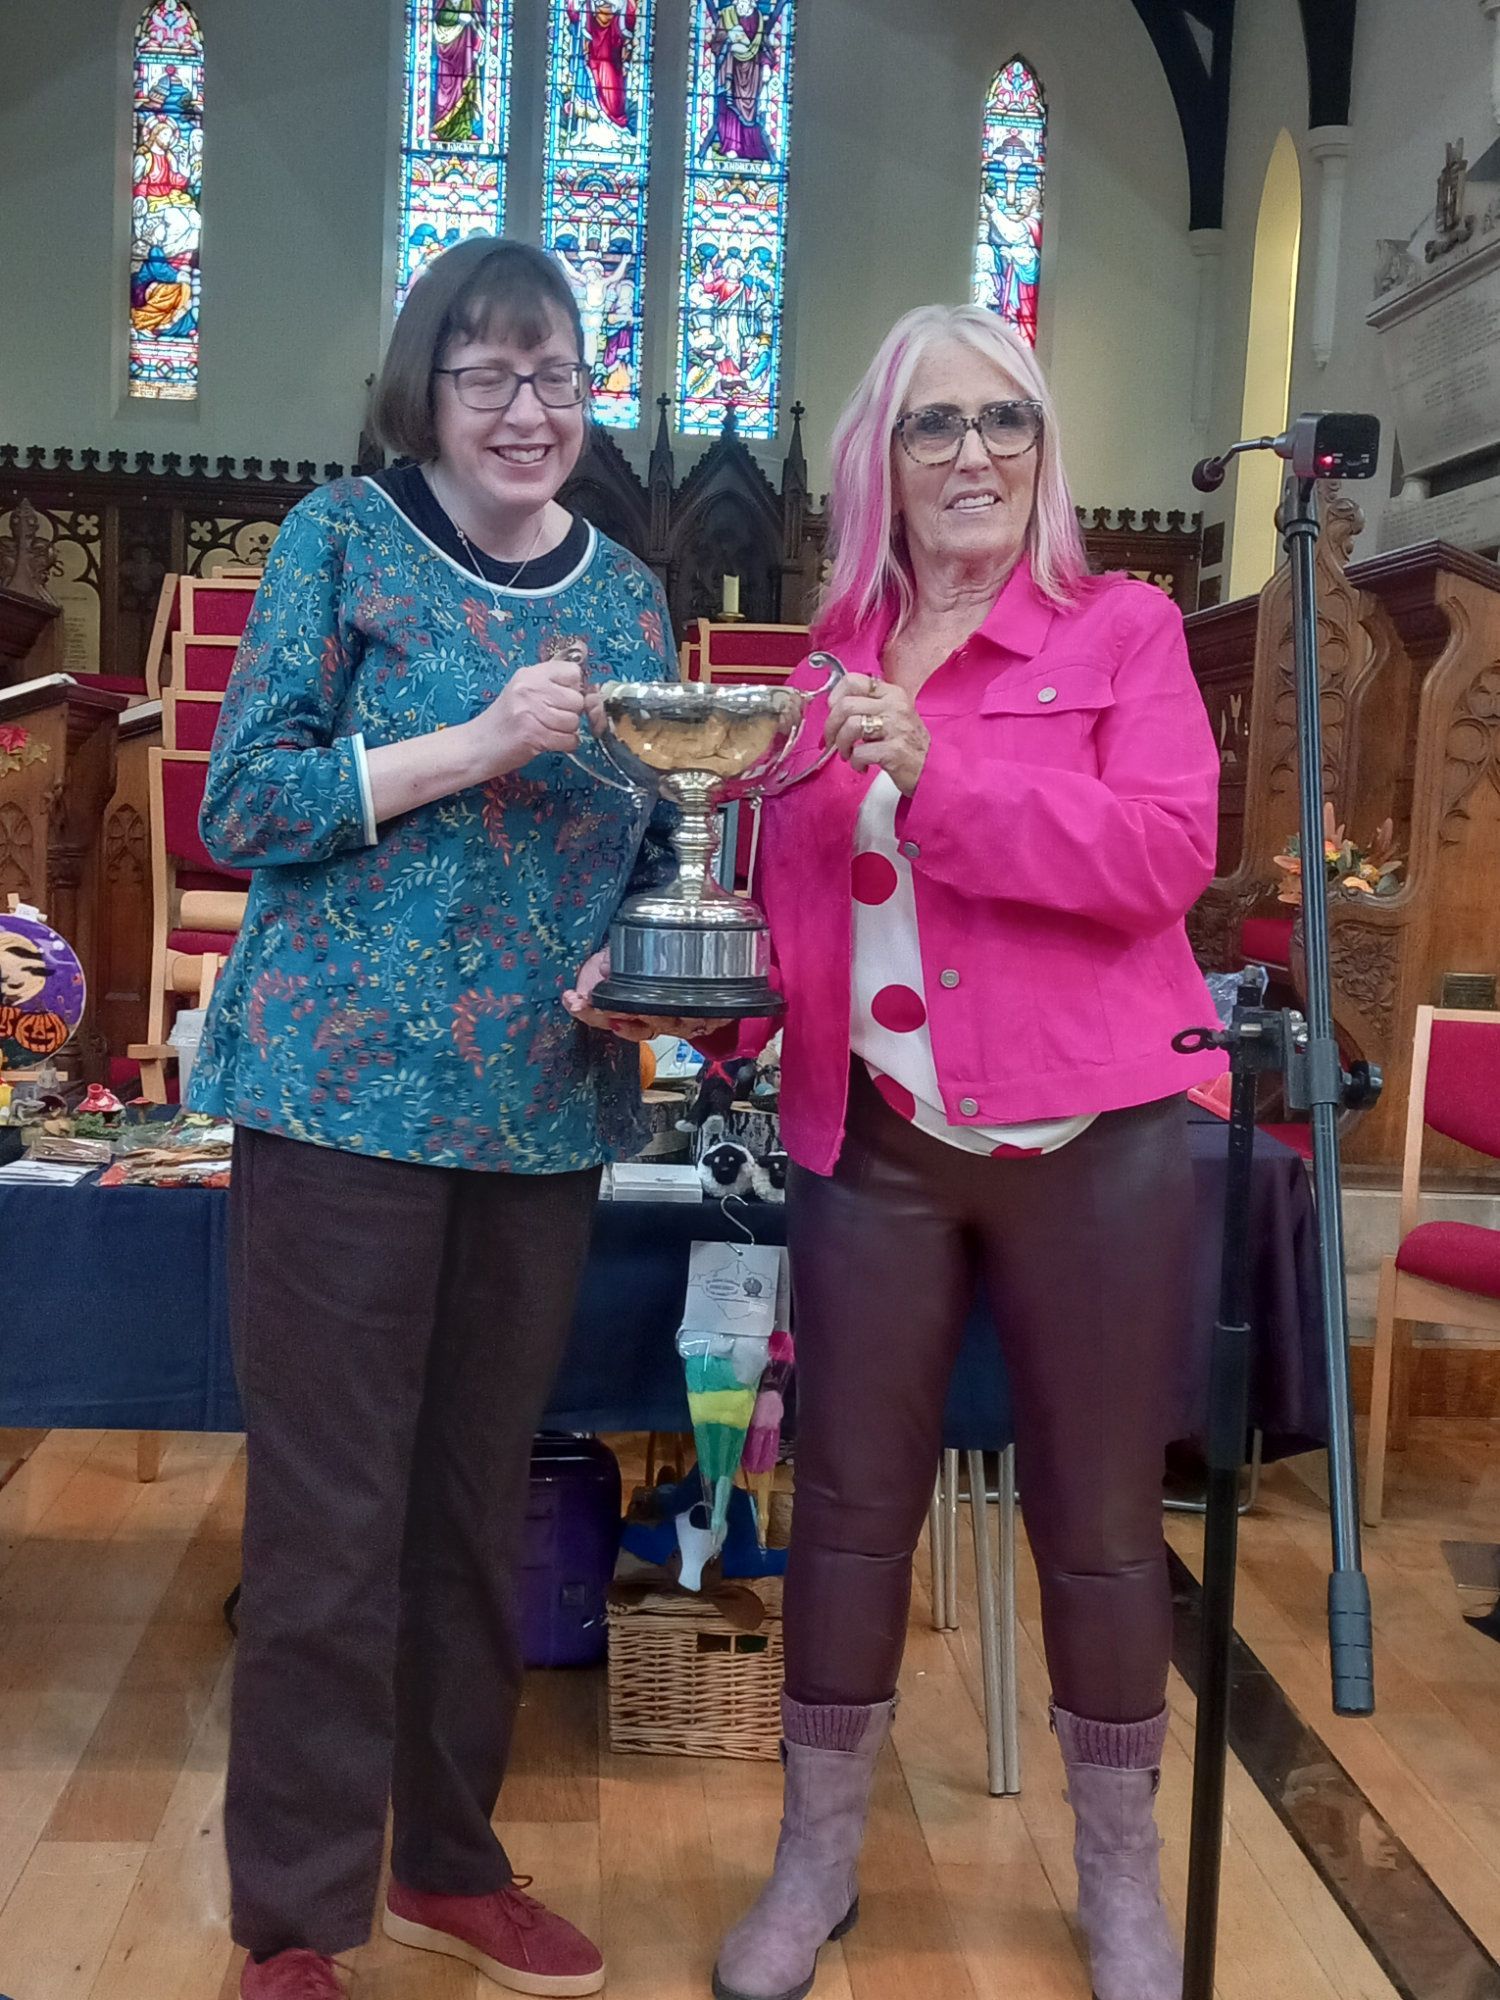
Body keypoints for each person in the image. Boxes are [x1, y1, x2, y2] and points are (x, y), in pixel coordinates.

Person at [572, 300, 1224, 2000]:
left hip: (1096, 1135)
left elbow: (1163, 858)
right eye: (934, 426)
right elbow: (795, 928)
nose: (973, 455)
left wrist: (936, 776)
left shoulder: (1126, 630)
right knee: (851, 1507)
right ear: (881, 459)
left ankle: (1121, 1884)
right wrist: (683, 981)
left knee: (1094, 1518)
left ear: (1044, 451)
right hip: (873, 1138)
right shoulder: (822, 670)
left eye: (1004, 421)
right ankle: (814, 1862)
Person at [192, 236, 717, 2000]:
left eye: (558, 374)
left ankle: (453, 1860)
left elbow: (661, 838)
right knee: (331, 1523)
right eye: (488, 372)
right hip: (339, 1100)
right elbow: (242, 804)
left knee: (478, 1504)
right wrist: (472, 743)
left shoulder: (631, 598)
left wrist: (647, 969)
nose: (527, 407)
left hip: (541, 1116)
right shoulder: (339, 542)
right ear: (424, 387)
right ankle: (295, 1921)